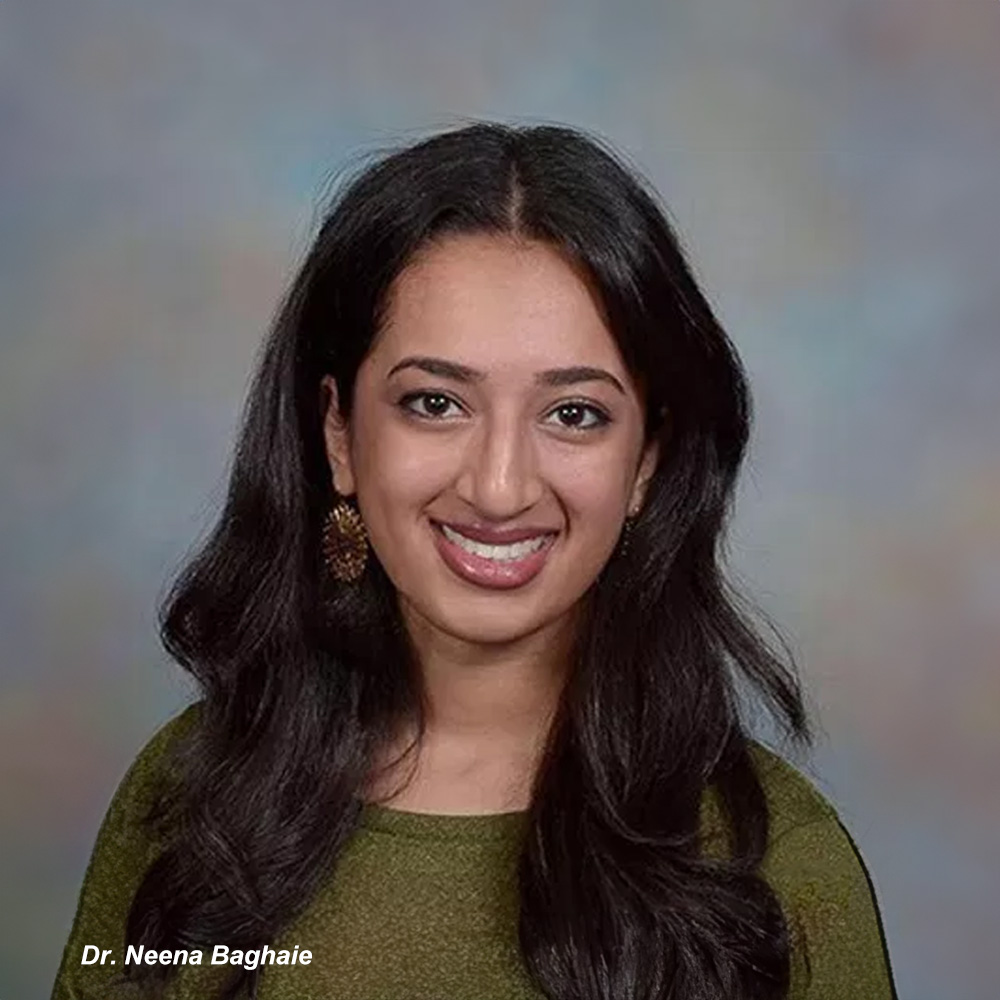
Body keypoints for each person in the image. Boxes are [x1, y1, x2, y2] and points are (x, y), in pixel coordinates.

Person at [51, 121, 896, 1000]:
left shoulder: (774, 869)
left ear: (646, 460)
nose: (499, 488)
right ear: (339, 432)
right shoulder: (191, 802)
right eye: (435, 403)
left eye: (574, 414)